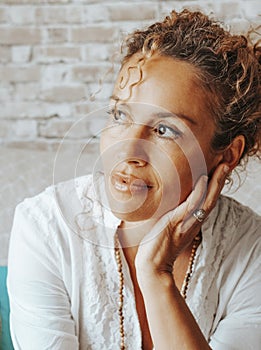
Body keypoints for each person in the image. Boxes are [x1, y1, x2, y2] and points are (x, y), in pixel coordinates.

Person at [7, 9, 261, 350]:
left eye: (164, 129)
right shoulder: (45, 227)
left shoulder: (251, 250)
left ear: (227, 154)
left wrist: (156, 275)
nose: (128, 151)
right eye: (120, 115)